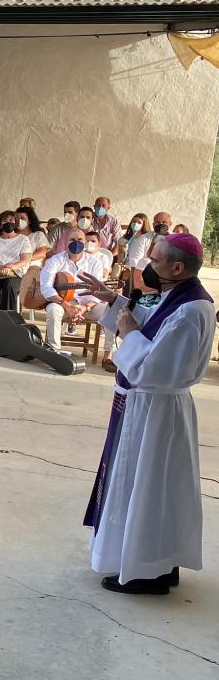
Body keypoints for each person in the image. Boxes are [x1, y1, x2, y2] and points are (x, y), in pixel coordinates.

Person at [78, 234, 214, 594]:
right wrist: (115, 302)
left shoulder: (191, 309)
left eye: (155, 261)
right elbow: (153, 325)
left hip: (155, 410)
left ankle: (143, 573)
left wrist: (129, 332)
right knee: (154, 488)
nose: (148, 266)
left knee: (147, 487)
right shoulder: (180, 297)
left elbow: (155, 369)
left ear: (177, 267)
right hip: (148, 408)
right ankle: (157, 562)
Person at [40, 228, 112, 353]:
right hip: (63, 302)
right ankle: (54, 351)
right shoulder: (55, 260)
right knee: (52, 310)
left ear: (85, 242)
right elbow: (46, 287)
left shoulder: (95, 262)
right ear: (66, 242)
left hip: (88, 304)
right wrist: (67, 306)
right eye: (72, 240)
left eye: (80, 240)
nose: (76, 242)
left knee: (112, 311)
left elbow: (97, 292)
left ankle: (109, 355)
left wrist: (84, 308)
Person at [0, 212, 34, 328]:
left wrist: (11, 267)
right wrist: (0, 267)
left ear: (16, 224)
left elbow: (25, 260)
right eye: (5, 221)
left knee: (9, 286)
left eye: (11, 221)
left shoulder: (23, 240)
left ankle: (9, 321)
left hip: (15, 273)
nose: (8, 223)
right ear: (0, 223)